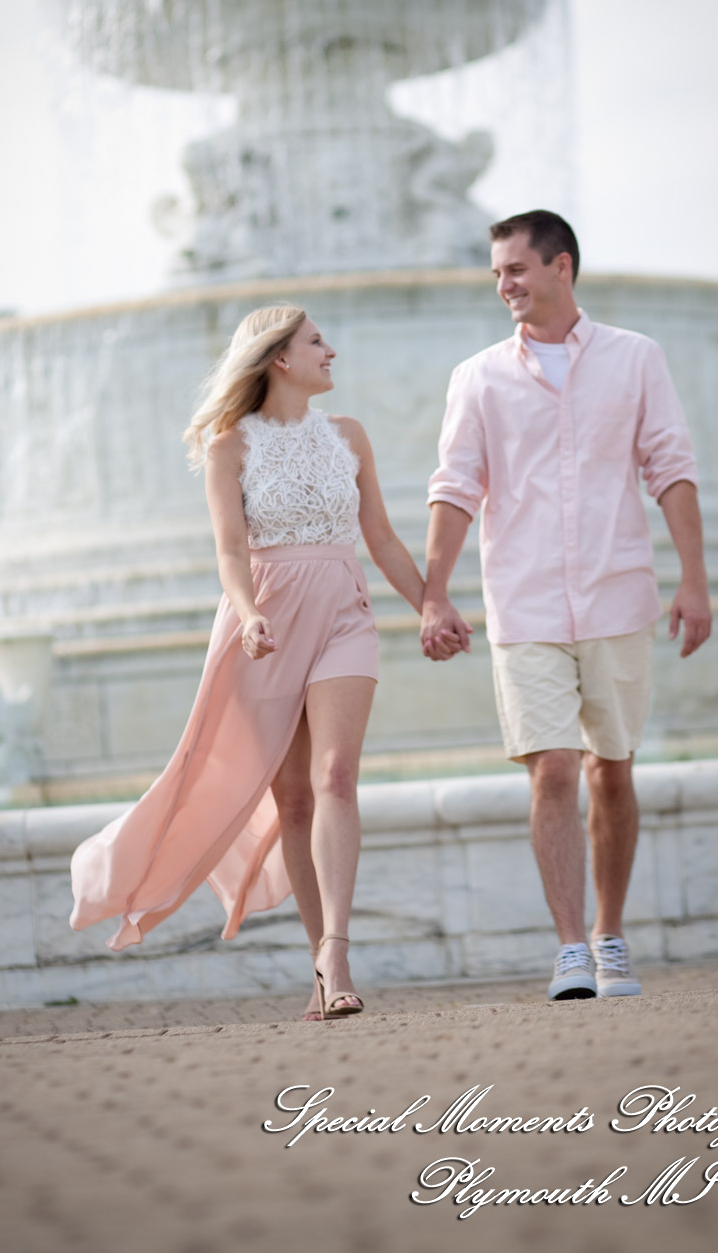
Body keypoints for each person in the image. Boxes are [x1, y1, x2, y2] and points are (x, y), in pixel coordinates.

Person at [69, 305, 434, 1020]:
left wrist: (432, 606)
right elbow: (230, 554)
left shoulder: (348, 436)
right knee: (292, 798)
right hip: (263, 621)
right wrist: (248, 613)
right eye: (316, 342)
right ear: (279, 360)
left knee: (334, 775)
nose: (332, 351)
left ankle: (335, 949)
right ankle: (320, 966)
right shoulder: (228, 448)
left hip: (341, 614)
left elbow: (383, 539)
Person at [420, 210, 712, 1001]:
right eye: (496, 274)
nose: (504, 286)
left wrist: (693, 581)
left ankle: (608, 935)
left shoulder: (635, 359)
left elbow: (670, 469)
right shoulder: (476, 376)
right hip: (523, 604)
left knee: (610, 772)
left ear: (561, 267)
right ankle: (567, 951)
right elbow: (454, 488)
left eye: (515, 269)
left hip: (618, 596)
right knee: (551, 770)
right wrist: (433, 592)